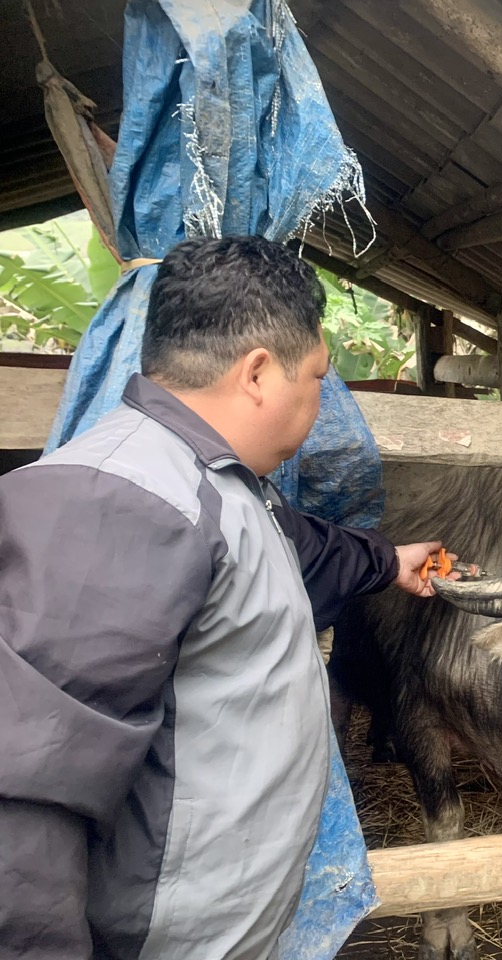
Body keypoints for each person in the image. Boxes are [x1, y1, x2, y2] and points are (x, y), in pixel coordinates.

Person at [0, 236, 452, 959]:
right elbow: (26, 797)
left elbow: (290, 547)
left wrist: (386, 560)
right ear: (259, 374)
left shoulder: (213, 483)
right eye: (316, 378)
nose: (316, 401)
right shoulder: (118, 503)